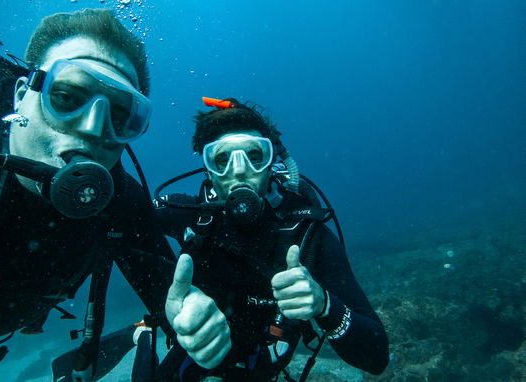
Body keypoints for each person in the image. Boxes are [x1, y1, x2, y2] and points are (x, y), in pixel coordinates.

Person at [0, 8, 175, 382]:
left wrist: (196, 319)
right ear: (22, 94)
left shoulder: (119, 200)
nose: (93, 127)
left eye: (120, 115)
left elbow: (172, 299)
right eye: (66, 96)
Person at [154, 97, 389, 381]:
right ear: (208, 168)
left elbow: (376, 357)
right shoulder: (189, 216)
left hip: (265, 363)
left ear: (271, 162)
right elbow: (118, 213)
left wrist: (325, 305)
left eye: (254, 156)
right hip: (195, 353)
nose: (239, 170)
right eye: (222, 159)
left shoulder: (306, 234)